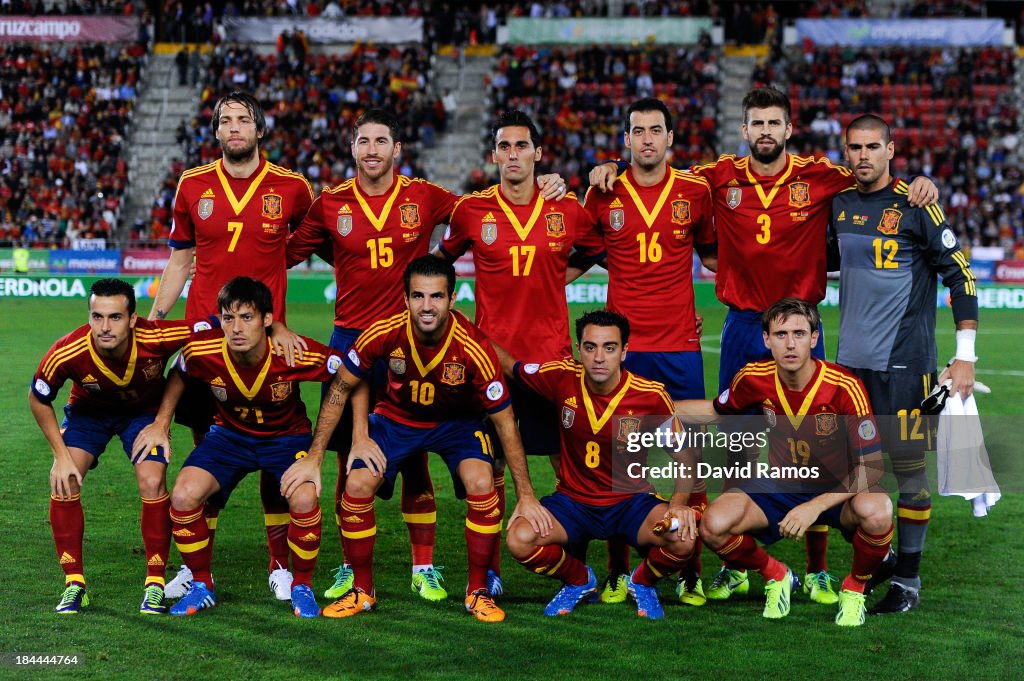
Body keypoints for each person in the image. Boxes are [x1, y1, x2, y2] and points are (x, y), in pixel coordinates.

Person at [590, 87, 937, 601]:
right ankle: (735, 563)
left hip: (800, 325)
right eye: (758, 123)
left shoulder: (822, 175)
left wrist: (919, 184)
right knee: (734, 447)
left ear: (789, 129)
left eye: (775, 122)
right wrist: (612, 164)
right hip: (745, 325)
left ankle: (817, 568)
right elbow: (657, 166)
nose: (767, 131)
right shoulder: (717, 177)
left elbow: (877, 178)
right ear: (744, 130)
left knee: (817, 451)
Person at [285, 108, 566, 602]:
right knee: (355, 453)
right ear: (353, 149)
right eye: (363, 141)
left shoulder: (426, 195)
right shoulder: (331, 203)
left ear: (397, 150)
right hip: (355, 338)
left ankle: (424, 566)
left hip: (413, 338)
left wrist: (542, 186)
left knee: (414, 460)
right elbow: (288, 250)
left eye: (381, 141)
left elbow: (483, 212)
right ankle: (351, 570)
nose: (372, 150)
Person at [307, 257, 549, 622]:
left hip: (458, 425)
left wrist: (527, 495)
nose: (426, 306)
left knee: (482, 482)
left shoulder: (474, 347)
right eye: (417, 296)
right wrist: (316, 455)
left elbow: (504, 423)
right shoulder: (384, 331)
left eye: (436, 297)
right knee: (356, 484)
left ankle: (477, 591)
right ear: (405, 299)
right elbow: (342, 384)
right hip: (397, 421)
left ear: (452, 299)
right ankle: (362, 590)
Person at [150, 90, 314, 601]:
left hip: (266, 346)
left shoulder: (291, 187)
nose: (234, 127)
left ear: (259, 130)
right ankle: (198, 570)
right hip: (205, 344)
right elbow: (180, 261)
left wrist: (278, 320)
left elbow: (318, 244)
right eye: (225, 120)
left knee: (277, 449)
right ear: (217, 131)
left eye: (243, 119)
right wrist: (155, 322)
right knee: (208, 447)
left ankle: (279, 564)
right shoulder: (193, 184)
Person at [436, 109, 604, 595]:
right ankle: (489, 571)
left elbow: (595, 250)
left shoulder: (566, 208)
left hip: (553, 361)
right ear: (494, 156)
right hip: (491, 361)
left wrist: (560, 277)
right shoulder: (472, 210)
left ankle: (573, 568)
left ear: (537, 153)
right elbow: (439, 263)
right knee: (490, 469)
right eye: (504, 147)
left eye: (521, 146)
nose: (513, 154)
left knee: (567, 466)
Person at [833, 114, 978, 614]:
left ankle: (908, 583)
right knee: (847, 479)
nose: (864, 155)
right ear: (845, 151)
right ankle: (886, 556)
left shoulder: (918, 205)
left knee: (910, 476)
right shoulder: (840, 203)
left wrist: (965, 358)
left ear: (891, 150)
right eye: (855, 147)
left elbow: (962, 278)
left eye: (874, 146)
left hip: (905, 367)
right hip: (849, 370)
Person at [676, 298, 894, 627]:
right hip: (782, 485)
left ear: (814, 338)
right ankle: (778, 575)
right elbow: (715, 411)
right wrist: (652, 406)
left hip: (837, 488)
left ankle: (854, 589)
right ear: (766, 340)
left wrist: (814, 507)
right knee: (713, 524)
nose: (790, 344)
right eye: (780, 334)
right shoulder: (753, 378)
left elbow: (873, 466)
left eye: (798, 333)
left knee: (878, 511)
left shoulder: (843, 386)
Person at [134, 277, 343, 618]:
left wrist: (318, 452)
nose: (237, 328)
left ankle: (301, 585)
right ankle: (202, 584)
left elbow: (349, 375)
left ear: (267, 319)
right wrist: (161, 422)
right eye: (228, 319)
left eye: (247, 317)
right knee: (184, 495)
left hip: (286, 440)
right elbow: (180, 372)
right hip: (229, 438)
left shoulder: (293, 351)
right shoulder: (204, 351)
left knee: (304, 498)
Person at [581, 97, 715, 606]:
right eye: (638, 131)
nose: (648, 140)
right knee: (624, 466)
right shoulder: (602, 193)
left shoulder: (694, 191)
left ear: (670, 139)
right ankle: (617, 569)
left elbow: (714, 254)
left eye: (656, 131)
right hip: (624, 350)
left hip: (680, 345)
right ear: (626, 141)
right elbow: (577, 253)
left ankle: (689, 569)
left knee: (693, 462)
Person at [501, 310, 700, 619]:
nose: (599, 357)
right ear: (579, 349)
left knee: (683, 538)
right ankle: (579, 580)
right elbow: (512, 367)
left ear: (624, 351)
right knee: (519, 538)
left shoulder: (650, 395)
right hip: (573, 503)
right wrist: (465, 330)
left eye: (609, 347)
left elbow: (686, 457)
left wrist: (678, 504)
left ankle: (641, 582)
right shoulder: (560, 377)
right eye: (590, 347)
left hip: (631, 504)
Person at [29, 279, 201, 615]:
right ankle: (74, 583)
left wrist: (162, 422)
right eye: (97, 317)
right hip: (88, 414)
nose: (104, 327)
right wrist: (61, 457)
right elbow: (39, 398)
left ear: (133, 319)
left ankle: (154, 584)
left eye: (115, 317)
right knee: (64, 481)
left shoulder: (157, 336)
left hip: (142, 416)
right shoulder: (68, 350)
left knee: (152, 481)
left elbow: (212, 330)